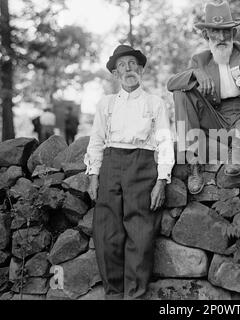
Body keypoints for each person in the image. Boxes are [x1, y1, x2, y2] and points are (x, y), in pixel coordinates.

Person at [84, 44, 175, 300]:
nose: (128, 69)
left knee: (141, 234)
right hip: (111, 165)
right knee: (106, 234)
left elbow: (165, 142)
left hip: (142, 165)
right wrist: (93, 175)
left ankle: (135, 295)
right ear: (115, 73)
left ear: (141, 69)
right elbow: (96, 141)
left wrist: (162, 180)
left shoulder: (155, 103)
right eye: (122, 65)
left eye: (133, 64)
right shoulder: (106, 104)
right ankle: (114, 294)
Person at [167, 1, 240, 195]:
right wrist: (196, 73)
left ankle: (236, 149)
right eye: (215, 32)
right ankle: (194, 166)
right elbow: (171, 84)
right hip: (217, 119)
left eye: (226, 32)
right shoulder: (200, 60)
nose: (221, 37)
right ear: (206, 35)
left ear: (233, 34)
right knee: (182, 92)